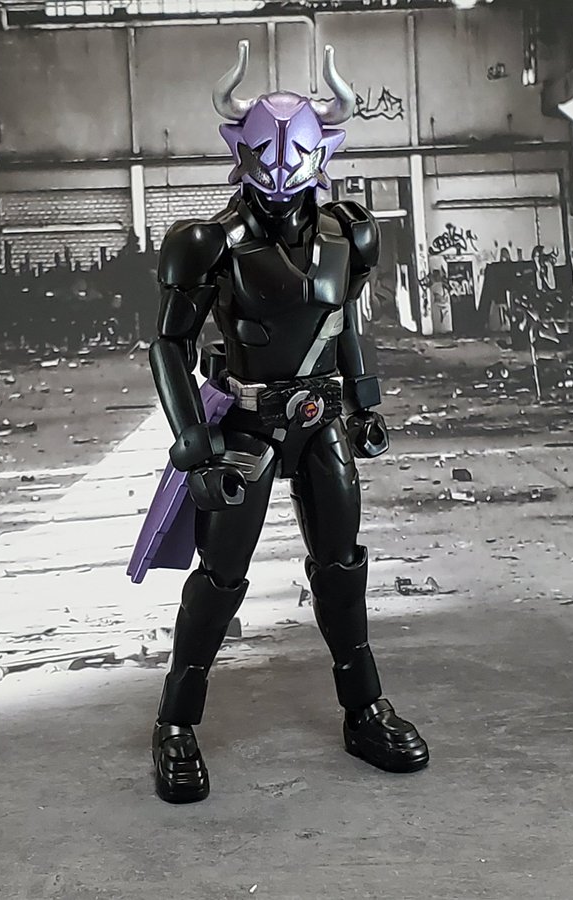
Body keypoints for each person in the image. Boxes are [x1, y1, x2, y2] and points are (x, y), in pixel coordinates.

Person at [128, 40, 429, 804]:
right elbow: (168, 345)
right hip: (249, 426)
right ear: (240, 148)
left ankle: (364, 710)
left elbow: (344, 321)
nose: (282, 165)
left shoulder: (349, 233)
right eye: (266, 150)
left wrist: (365, 404)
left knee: (342, 568)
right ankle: (175, 724)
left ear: (324, 150)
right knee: (221, 580)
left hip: (320, 418)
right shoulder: (207, 244)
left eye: (297, 151)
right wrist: (195, 445)